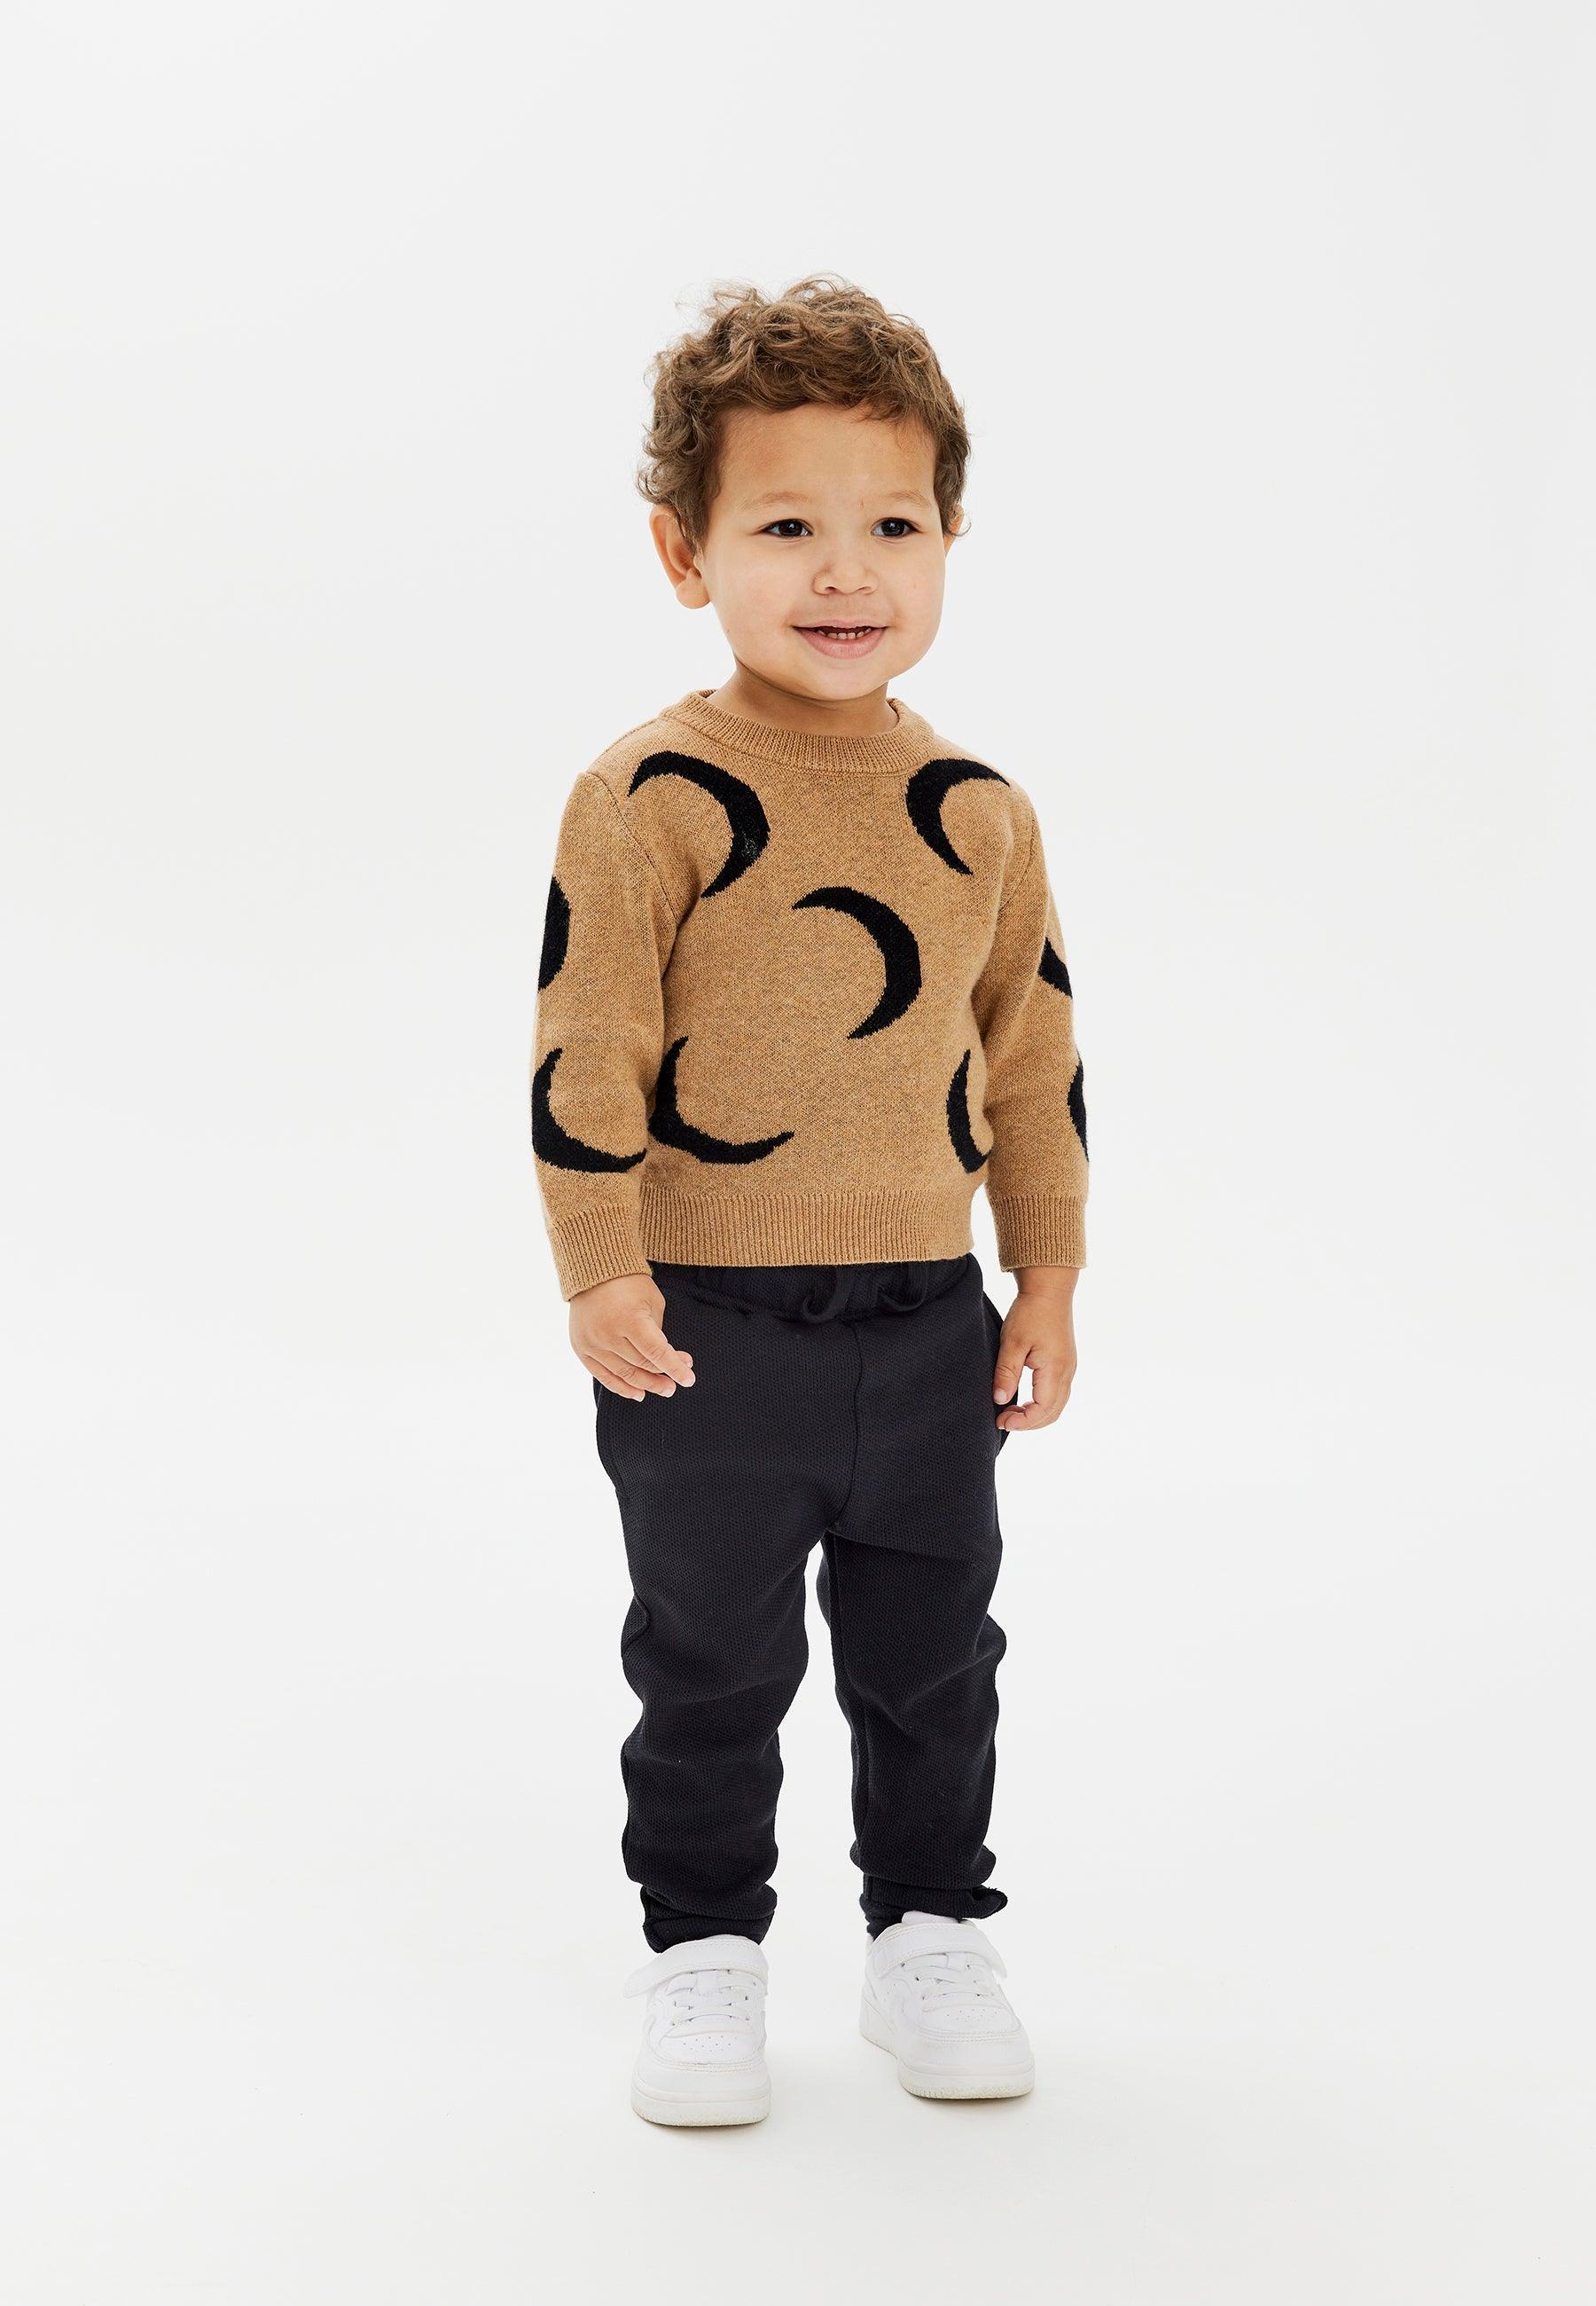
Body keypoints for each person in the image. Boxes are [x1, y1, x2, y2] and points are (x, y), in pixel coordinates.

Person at [529, 274, 1089, 2126]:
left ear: (949, 540)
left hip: (927, 1326)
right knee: (710, 1656)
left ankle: (932, 1928)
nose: (846, 571)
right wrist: (601, 1268)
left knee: (937, 1654)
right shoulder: (651, 793)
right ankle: (703, 1946)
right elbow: (588, 1042)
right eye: (785, 527)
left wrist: (1047, 1273)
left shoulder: (981, 810)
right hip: (709, 1332)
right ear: (685, 552)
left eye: (893, 526)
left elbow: (1032, 1060)